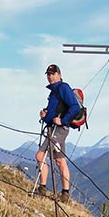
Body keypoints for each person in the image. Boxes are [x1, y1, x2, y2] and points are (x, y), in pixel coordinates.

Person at [35, 64, 80, 203]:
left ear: (59, 74)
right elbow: (54, 112)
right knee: (60, 160)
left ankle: (42, 189)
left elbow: (75, 107)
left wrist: (63, 120)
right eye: (48, 74)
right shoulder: (54, 92)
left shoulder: (63, 88)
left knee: (40, 155)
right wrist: (45, 115)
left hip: (59, 130)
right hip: (55, 129)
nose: (50, 76)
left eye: (53, 73)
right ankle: (65, 194)